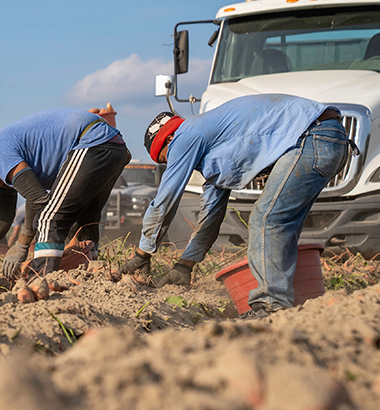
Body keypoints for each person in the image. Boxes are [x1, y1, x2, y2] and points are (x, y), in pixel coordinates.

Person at [121, 94, 349, 318]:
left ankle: (270, 306)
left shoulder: (185, 136)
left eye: (166, 159)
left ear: (169, 140)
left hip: (312, 136)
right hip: (328, 138)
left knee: (265, 218)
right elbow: (210, 214)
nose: (172, 165)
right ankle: (290, 301)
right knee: (281, 224)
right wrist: (185, 265)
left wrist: (143, 253)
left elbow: (165, 200)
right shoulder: (215, 145)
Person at [0, 108, 131, 277]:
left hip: (92, 143)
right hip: (113, 145)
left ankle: (43, 278)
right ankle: (88, 275)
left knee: (48, 219)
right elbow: (5, 214)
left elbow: (38, 199)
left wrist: (21, 244)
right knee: (83, 221)